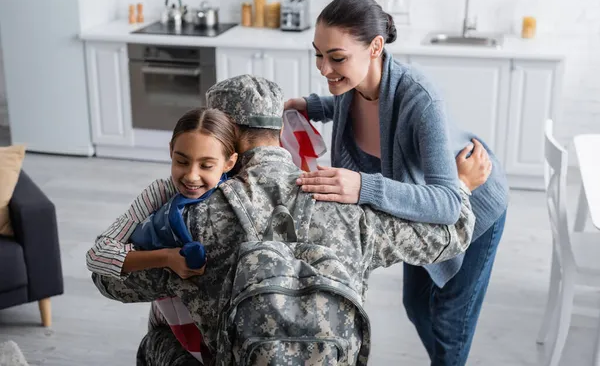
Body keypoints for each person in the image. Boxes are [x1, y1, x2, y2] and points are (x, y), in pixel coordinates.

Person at [88, 75, 487, 365]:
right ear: (279, 132)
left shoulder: (194, 216)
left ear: (225, 142)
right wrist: (462, 190)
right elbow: (452, 236)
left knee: (159, 333)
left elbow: (111, 282)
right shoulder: (346, 201)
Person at [284, 0, 510, 365]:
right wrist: (309, 105)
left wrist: (363, 186)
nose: (324, 68)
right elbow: (346, 104)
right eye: (318, 55)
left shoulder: (421, 100)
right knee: (416, 302)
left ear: (375, 47)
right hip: (419, 209)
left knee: (451, 320)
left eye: (336, 58)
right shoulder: (352, 84)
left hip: (476, 204)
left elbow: (449, 202)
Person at [86, 108, 239, 365]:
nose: (191, 175)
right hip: (168, 321)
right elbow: (97, 255)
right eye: (181, 161)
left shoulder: (238, 198)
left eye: (206, 165)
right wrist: (167, 257)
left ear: (229, 163)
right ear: (170, 152)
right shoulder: (160, 192)